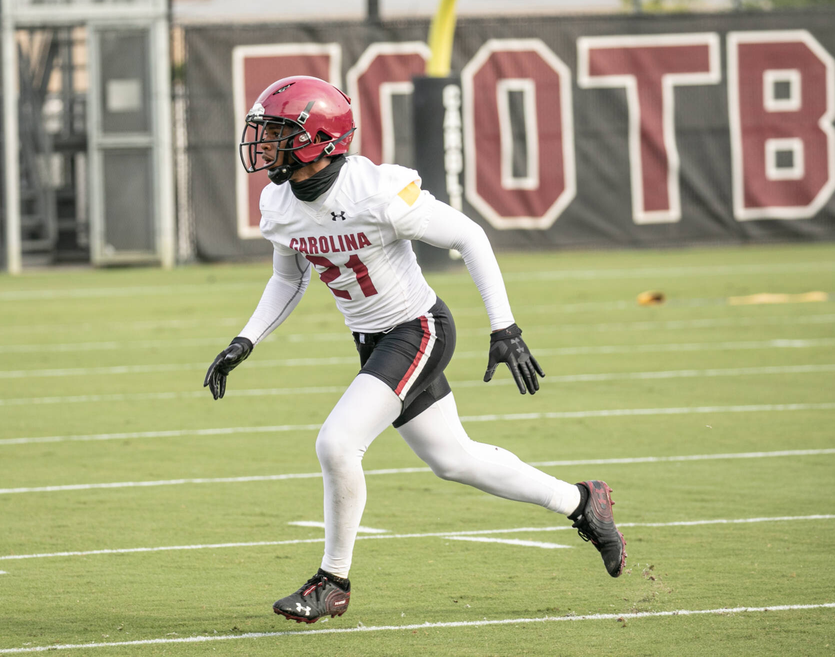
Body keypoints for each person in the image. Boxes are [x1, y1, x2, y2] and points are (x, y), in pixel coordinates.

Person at [205, 76, 625, 624]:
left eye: (278, 133)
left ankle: (332, 581)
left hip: (418, 328)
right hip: (373, 338)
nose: (264, 145)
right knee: (455, 459)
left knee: (337, 443)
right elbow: (289, 279)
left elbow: (470, 236)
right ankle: (582, 502)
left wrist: (505, 328)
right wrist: (246, 339)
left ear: (318, 139)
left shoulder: (376, 191)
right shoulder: (279, 202)